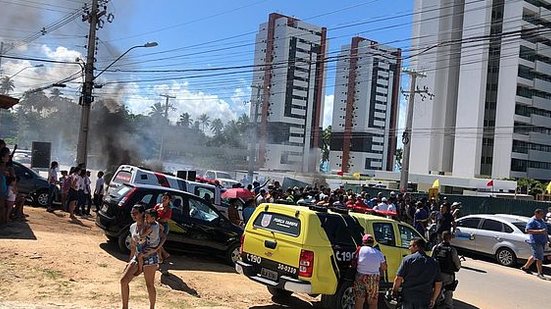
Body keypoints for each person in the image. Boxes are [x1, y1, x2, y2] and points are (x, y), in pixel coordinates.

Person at [120, 204, 160, 309]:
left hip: (150, 257)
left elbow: (163, 237)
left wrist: (155, 249)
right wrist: (130, 261)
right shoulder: (133, 227)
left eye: (135, 213)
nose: (133, 215)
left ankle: (152, 307)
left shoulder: (150, 225)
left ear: (142, 214)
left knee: (149, 285)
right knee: (123, 281)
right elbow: (133, 246)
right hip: (137, 256)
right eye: (132, 213)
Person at [392, 237, 442, 309]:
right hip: (425, 298)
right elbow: (438, 283)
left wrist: (394, 292)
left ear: (416, 246)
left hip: (408, 297)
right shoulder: (434, 263)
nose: (409, 248)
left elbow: (398, 279)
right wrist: (433, 299)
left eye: (410, 246)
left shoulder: (407, 260)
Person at [353, 234, 387, 309]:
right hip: (373, 278)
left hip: (360, 276)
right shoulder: (378, 253)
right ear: (372, 243)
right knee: (373, 301)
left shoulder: (359, 250)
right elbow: (384, 267)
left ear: (363, 242)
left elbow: (354, 261)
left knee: (359, 300)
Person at [432, 231, 461, 309]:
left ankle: (435, 303)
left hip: (436, 274)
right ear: (450, 238)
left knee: (436, 291)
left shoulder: (436, 247)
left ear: (442, 237)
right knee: (448, 292)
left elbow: (432, 260)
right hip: (447, 275)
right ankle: (448, 306)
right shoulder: (452, 250)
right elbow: (457, 265)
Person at [520, 209, 549, 279]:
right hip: (536, 242)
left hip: (542, 241)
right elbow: (527, 230)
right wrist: (539, 231)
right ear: (536, 214)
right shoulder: (532, 221)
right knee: (539, 257)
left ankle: (525, 267)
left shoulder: (541, 220)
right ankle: (540, 273)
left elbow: (545, 230)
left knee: (535, 255)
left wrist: (548, 239)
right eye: (541, 214)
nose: (542, 216)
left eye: (543, 214)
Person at [134, 209, 161, 276]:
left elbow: (142, 235)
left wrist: (143, 226)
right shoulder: (157, 224)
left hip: (151, 245)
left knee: (140, 255)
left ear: (153, 218)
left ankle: (140, 269)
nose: (145, 219)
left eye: (147, 217)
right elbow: (162, 229)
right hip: (156, 242)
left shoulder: (150, 227)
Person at [154, 193, 173, 263]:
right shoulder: (158, 205)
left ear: (169, 200)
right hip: (156, 225)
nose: (164, 199)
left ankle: (160, 257)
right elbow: (153, 213)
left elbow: (166, 219)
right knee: (156, 242)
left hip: (163, 226)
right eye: (163, 197)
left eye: (166, 198)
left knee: (158, 242)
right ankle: (164, 255)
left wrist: (156, 220)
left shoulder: (169, 209)